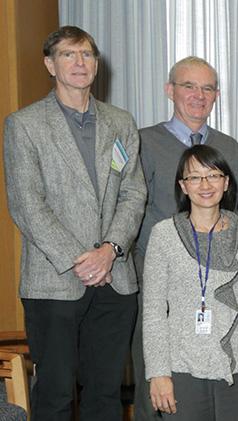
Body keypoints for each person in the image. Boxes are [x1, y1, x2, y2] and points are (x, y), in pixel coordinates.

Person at [3, 26, 147, 420]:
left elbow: (133, 193)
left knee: (105, 396)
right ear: (50, 64)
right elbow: (27, 204)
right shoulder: (25, 124)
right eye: (68, 55)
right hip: (55, 281)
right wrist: (81, 259)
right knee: (55, 396)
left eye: (86, 55)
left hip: (115, 279)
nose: (79, 63)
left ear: (96, 64)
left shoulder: (120, 122)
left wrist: (110, 250)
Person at [134, 56, 238, 420]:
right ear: (170, 91)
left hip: (217, 289)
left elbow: (235, 219)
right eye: (189, 86)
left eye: (207, 88)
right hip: (162, 289)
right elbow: (132, 209)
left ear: (216, 95)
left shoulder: (230, 148)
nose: (199, 95)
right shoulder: (143, 143)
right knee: (159, 387)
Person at [142, 145, 238, 420]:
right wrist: (158, 372)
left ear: (226, 183)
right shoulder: (164, 234)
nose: (205, 184)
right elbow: (153, 312)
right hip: (181, 366)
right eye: (194, 177)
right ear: (183, 185)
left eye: (213, 175)